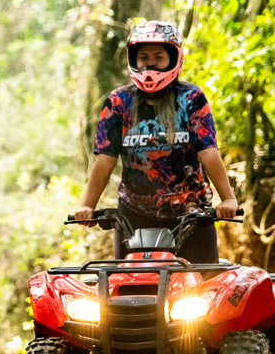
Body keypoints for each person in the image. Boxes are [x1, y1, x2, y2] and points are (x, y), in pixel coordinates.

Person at [72, 20, 241, 262]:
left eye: (159, 56)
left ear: (174, 58)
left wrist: (228, 199)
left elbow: (208, 152)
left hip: (191, 216)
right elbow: (105, 159)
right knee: (130, 292)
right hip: (134, 220)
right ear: (133, 59)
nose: (150, 63)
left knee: (204, 290)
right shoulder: (118, 103)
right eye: (143, 57)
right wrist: (87, 205)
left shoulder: (191, 99)